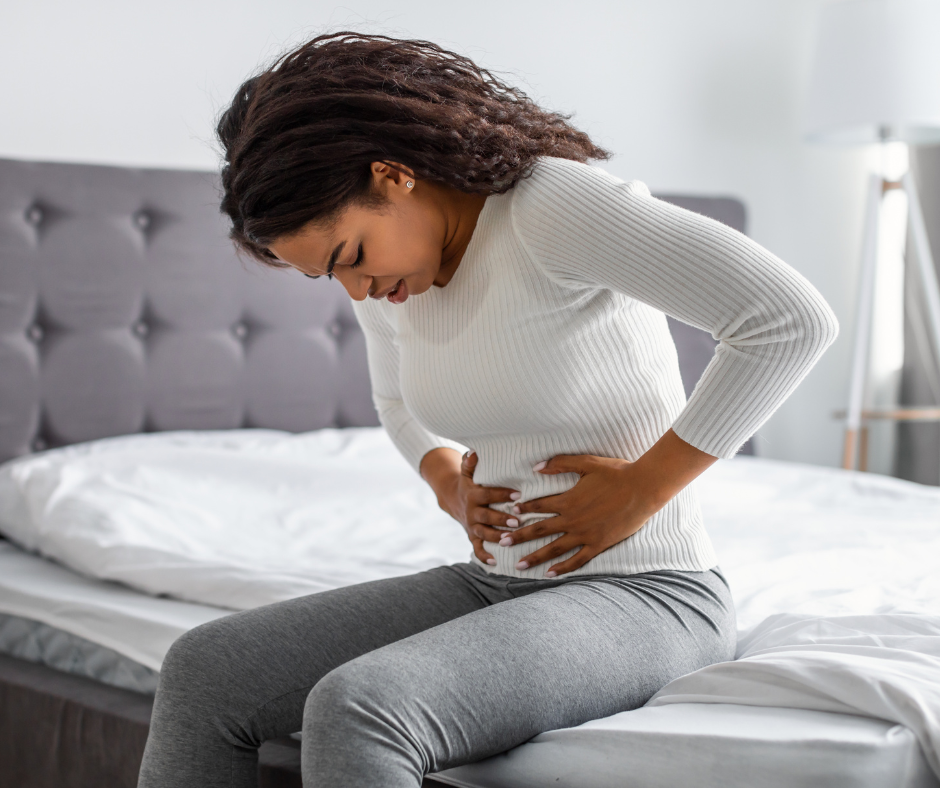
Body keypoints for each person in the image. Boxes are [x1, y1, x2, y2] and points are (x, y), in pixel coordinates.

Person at [138, 32, 838, 788]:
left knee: (362, 706)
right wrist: (445, 478)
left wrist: (645, 487)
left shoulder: (550, 206)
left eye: (349, 257)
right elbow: (398, 398)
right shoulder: (397, 276)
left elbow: (788, 319)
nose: (357, 291)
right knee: (204, 668)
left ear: (394, 176)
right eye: (327, 279)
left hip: (649, 592)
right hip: (495, 582)